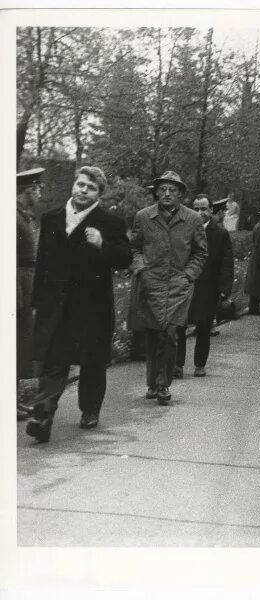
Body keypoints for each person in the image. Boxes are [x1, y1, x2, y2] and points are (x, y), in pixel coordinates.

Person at [24, 166, 132, 442]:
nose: (83, 190)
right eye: (80, 184)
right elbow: (43, 262)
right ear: (74, 185)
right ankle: (42, 416)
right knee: (54, 360)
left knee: (92, 361)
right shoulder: (51, 219)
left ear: (99, 194)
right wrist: (38, 301)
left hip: (92, 306)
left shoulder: (110, 223)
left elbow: (125, 259)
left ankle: (90, 409)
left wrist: (102, 244)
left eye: (91, 187)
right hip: (57, 304)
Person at [129, 171, 207, 405]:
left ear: (181, 194)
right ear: (156, 192)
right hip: (150, 284)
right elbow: (134, 248)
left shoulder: (193, 219)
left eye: (173, 190)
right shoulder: (143, 217)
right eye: (162, 189)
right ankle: (152, 383)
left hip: (178, 286)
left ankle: (163, 385)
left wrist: (188, 275)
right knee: (153, 333)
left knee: (171, 333)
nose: (167, 193)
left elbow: (200, 252)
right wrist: (141, 270)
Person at [175, 194, 234, 378]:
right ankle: (178, 364)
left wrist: (224, 290)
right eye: (196, 208)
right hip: (186, 284)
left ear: (210, 210)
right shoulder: (184, 228)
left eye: (203, 208)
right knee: (179, 325)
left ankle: (200, 364)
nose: (199, 212)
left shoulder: (220, 233)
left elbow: (226, 262)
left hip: (208, 286)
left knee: (203, 327)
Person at [16, 167, 44, 421]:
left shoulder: (24, 215)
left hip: (25, 282)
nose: (40, 193)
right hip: (16, 284)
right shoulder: (12, 216)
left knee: (21, 342)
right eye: (37, 188)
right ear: (28, 190)